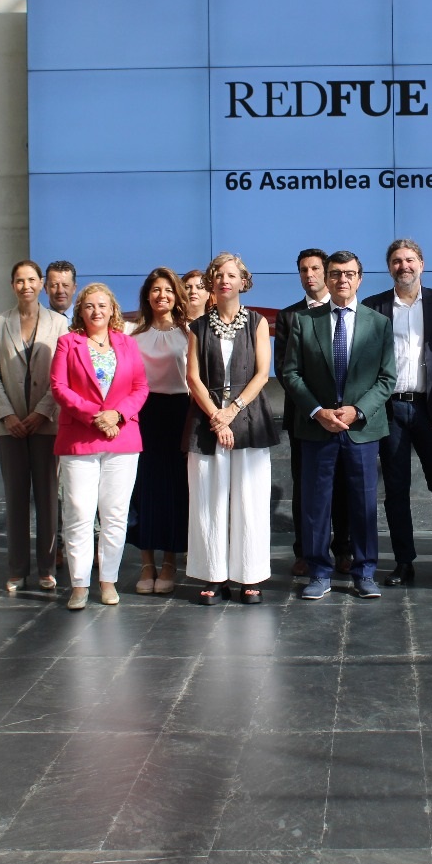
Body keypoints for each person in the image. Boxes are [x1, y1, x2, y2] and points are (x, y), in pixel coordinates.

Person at [282, 250, 396, 600]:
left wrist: (357, 410)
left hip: (361, 429)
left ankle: (365, 572)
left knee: (363, 504)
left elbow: (387, 378)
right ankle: (319, 572)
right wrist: (318, 411)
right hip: (317, 427)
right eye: (335, 274)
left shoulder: (378, 323)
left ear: (359, 279)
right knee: (316, 505)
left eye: (349, 274)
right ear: (327, 279)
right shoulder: (304, 321)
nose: (342, 279)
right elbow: (291, 373)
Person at [364, 239, 432, 586]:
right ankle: (403, 562)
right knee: (396, 491)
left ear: (421, 264)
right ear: (389, 267)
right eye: (396, 260)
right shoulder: (373, 306)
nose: (403, 266)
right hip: (390, 410)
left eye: (409, 260)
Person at [185, 253, 279, 604]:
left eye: (231, 275)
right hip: (206, 421)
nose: (224, 280)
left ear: (243, 281)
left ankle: (250, 576)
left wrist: (232, 411)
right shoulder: (198, 327)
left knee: (249, 499)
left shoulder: (257, 322)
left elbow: (262, 374)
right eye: (218, 275)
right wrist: (216, 416)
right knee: (208, 500)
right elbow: (193, 378)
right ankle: (213, 575)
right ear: (211, 282)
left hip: (249, 418)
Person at [50, 283, 149, 610]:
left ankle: (108, 581)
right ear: (80, 310)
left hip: (122, 438)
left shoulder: (127, 343)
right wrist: (96, 416)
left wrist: (117, 415)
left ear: (112, 310)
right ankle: (79, 585)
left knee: (115, 514)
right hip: (80, 438)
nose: (96, 311)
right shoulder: (68, 342)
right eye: (89, 305)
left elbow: (140, 387)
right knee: (79, 511)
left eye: (102, 305)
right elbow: (59, 387)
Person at [0, 260, 66, 593]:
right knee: (15, 497)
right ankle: (17, 569)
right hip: (11, 426)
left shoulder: (59, 323)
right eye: (19, 280)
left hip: (46, 424)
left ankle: (47, 568)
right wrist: (8, 415)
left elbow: (61, 374)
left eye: (32, 280)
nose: (26, 286)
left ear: (41, 284)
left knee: (48, 498)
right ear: (12, 285)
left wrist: (41, 413)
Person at [274, 249, 350, 578]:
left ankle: (344, 549)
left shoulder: (348, 310)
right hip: (305, 417)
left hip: (345, 416)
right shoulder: (289, 316)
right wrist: (317, 409)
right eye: (303, 270)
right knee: (305, 487)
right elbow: (285, 370)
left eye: (316, 269)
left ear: (328, 273)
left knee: (343, 486)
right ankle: (305, 551)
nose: (310, 275)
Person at [130, 267, 192, 595]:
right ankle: (146, 563)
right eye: (155, 290)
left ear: (176, 295)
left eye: (168, 290)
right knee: (143, 489)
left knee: (174, 489)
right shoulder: (132, 334)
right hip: (142, 413)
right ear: (147, 295)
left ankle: (170, 561)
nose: (162, 295)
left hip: (179, 412)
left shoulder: (190, 332)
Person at [45, 260, 77, 325]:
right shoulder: (37, 321)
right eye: (54, 285)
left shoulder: (85, 320)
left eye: (65, 285)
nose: (60, 291)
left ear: (74, 288)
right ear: (46, 288)